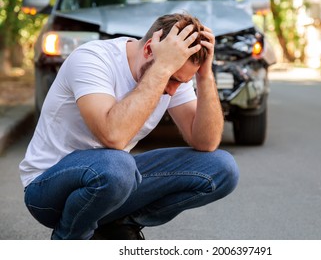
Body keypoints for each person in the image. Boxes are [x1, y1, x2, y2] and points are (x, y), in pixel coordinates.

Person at [19, 13, 239, 240]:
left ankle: (118, 224)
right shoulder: (92, 59)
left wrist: (205, 77)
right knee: (118, 166)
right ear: (148, 50)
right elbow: (113, 136)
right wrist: (162, 69)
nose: (172, 90)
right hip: (48, 189)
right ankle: (69, 239)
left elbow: (206, 141)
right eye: (172, 79)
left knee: (221, 167)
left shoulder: (173, 71)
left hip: (111, 180)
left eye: (180, 82)